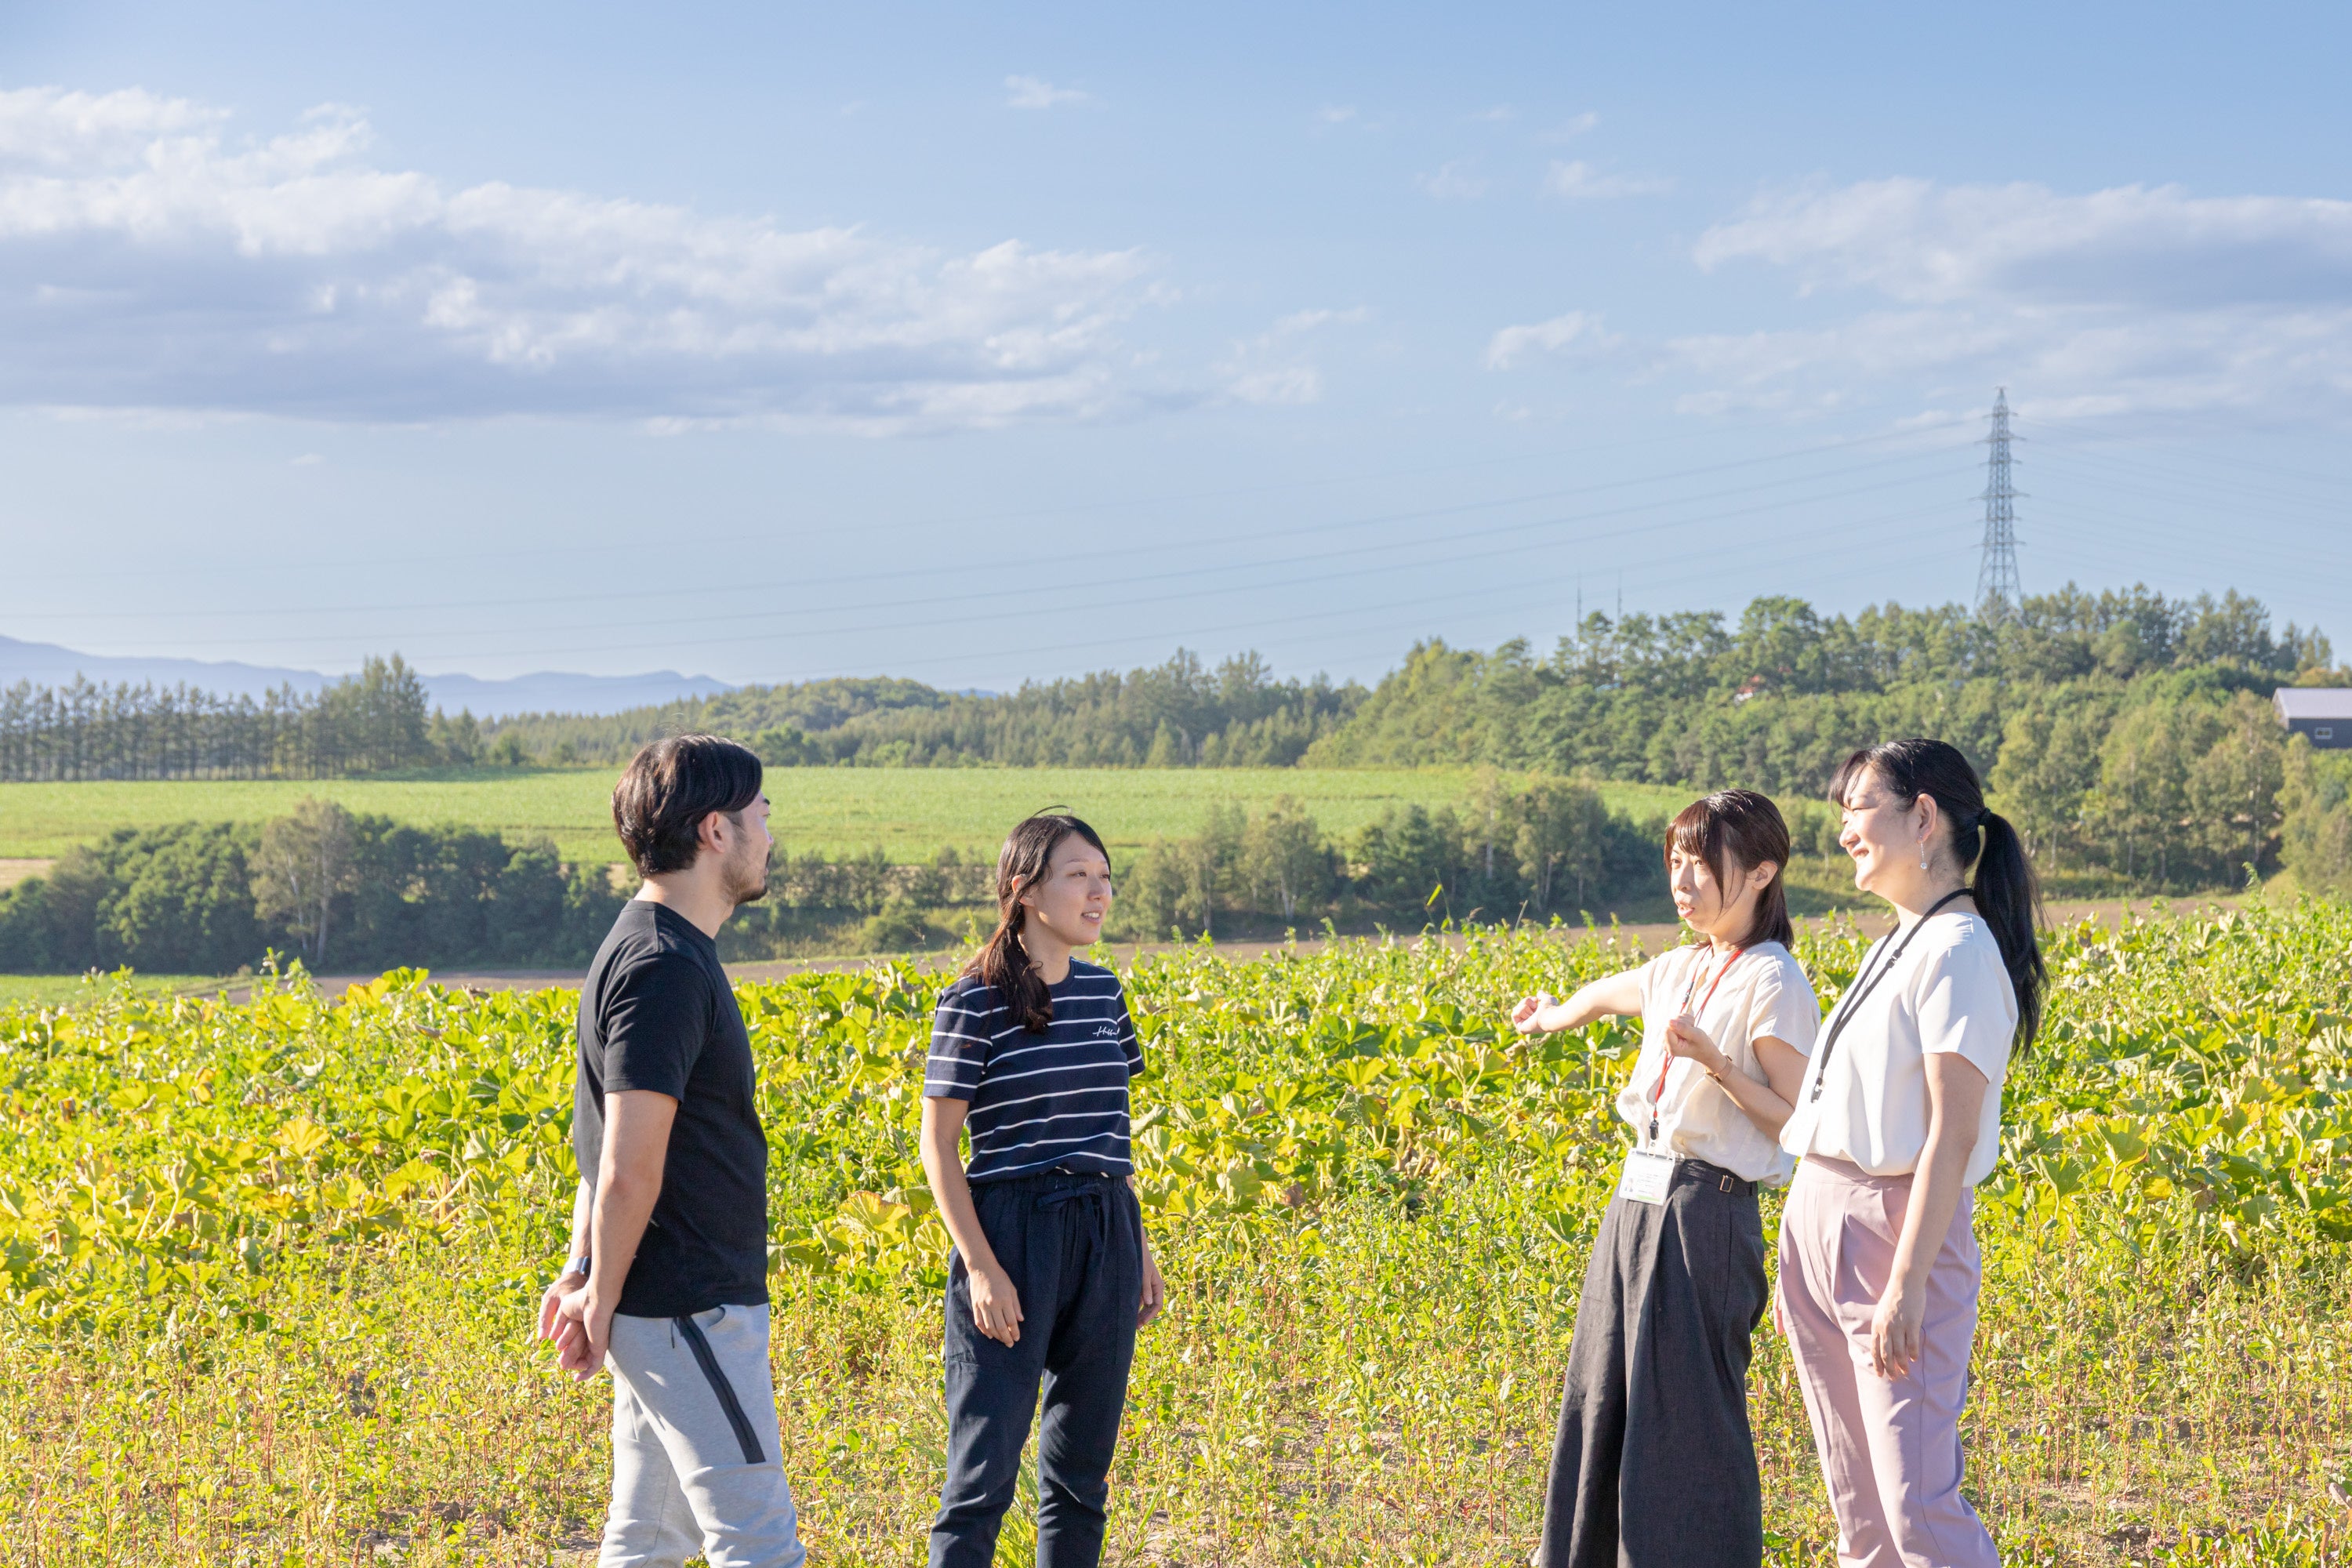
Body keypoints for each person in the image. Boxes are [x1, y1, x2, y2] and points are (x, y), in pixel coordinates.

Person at [1509, 789, 1820, 1568]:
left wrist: (1716, 1063)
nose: (1683, 881)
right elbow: (1602, 997)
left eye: (1701, 864)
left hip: (1706, 1212)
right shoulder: (1681, 965)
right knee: (1603, 1394)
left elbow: (1799, 1120)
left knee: (1686, 1421)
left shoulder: (1774, 979)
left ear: (1759, 873)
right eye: (1675, 862)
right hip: (1637, 1203)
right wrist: (1547, 1015)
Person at [1775, 738, 2045, 1568]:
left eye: (1858, 806)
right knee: (1858, 1505)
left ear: (1922, 815)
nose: (1845, 828)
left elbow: (1950, 1136)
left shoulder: (1959, 951)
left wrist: (1902, 1282)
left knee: (1914, 1506)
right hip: (1823, 1217)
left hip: (1894, 1230)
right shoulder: (1901, 938)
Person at [537, 735, 805, 1568]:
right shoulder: (663, 965)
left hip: (660, 1302)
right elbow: (627, 1164)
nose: (770, 832)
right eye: (761, 813)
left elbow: (598, 1151)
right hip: (686, 1301)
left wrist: (587, 1274)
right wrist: (600, 1295)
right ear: (715, 831)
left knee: (651, 1539)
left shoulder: (649, 944)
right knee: (758, 1540)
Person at [919, 812, 1168, 1568]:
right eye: (1078, 876)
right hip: (1011, 1231)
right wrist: (984, 1268)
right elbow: (938, 1148)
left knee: (1080, 1478)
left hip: (1105, 1229)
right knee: (982, 1478)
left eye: (1104, 876)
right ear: (1026, 890)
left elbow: (1111, 1141)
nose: (1099, 893)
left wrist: (1140, 1250)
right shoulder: (974, 1001)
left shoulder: (1104, 995)